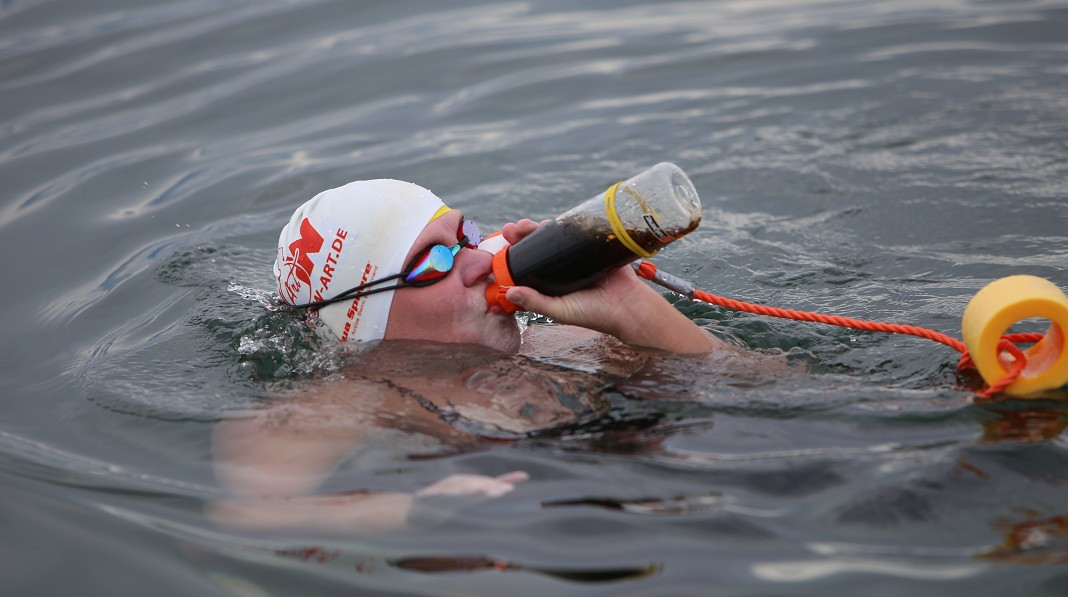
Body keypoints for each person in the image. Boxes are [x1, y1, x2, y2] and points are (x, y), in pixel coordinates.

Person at [211, 179, 750, 533]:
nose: (479, 261)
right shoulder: (337, 400)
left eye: (466, 236)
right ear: (359, 317)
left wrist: (633, 312)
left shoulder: (564, 341)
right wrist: (418, 510)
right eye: (433, 261)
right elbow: (244, 517)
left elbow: (764, 393)